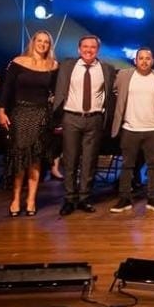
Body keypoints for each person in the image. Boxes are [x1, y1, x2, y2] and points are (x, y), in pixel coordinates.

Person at [0, 30, 58, 217]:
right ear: (33, 42)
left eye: (46, 42)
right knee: (19, 158)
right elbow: (6, 89)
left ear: (50, 45)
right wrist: (1, 110)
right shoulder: (18, 62)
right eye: (39, 41)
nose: (42, 44)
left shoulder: (53, 65)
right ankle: (16, 199)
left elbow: (57, 93)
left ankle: (31, 199)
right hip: (20, 113)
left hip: (41, 115)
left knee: (35, 159)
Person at [55, 35, 117, 216]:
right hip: (71, 117)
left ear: (98, 50)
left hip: (94, 119)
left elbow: (110, 94)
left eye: (93, 47)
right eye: (85, 46)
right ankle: (69, 198)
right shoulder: (67, 66)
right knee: (70, 160)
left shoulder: (107, 69)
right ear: (78, 49)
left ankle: (84, 198)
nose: (89, 50)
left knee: (90, 161)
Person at [110, 47, 154, 213]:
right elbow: (114, 91)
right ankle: (124, 198)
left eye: (147, 58)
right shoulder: (124, 75)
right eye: (141, 58)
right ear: (135, 60)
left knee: (153, 165)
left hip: (153, 129)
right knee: (127, 165)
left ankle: (153, 197)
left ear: (153, 61)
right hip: (130, 128)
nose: (144, 61)